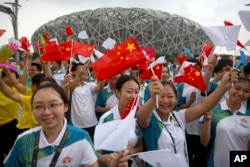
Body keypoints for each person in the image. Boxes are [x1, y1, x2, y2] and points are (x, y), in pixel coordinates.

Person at [4, 83, 129, 167]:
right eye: (38, 107)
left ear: (65, 106)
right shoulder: (24, 140)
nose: (46, 112)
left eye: (53, 105)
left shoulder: (81, 138)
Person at [136, 69, 238, 167]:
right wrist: (154, 98)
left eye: (170, 96)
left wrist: (224, 86)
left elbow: (203, 106)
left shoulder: (179, 116)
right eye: (161, 96)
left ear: (176, 98)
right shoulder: (150, 119)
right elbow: (141, 117)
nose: (166, 101)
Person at [200, 76, 250, 167]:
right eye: (237, 88)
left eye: (246, 91)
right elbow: (204, 141)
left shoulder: (248, 114)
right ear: (229, 87)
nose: (241, 93)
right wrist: (208, 121)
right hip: (217, 163)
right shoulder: (213, 110)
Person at [98, 75, 143, 167]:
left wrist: (131, 151)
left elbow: (140, 146)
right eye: (129, 92)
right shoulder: (107, 119)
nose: (133, 96)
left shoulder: (138, 116)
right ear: (117, 93)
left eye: (136, 92)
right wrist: (106, 158)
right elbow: (97, 153)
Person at [176, 58, 207, 167]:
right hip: (187, 130)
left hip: (203, 130)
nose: (194, 70)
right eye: (191, 67)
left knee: (201, 161)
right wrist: (190, 102)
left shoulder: (206, 84)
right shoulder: (182, 86)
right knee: (187, 159)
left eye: (196, 67)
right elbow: (179, 107)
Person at [68, 63, 105, 140]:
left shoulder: (89, 85)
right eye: (81, 69)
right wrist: (78, 76)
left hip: (92, 123)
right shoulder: (70, 84)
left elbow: (99, 88)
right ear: (74, 72)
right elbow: (70, 89)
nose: (84, 71)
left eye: (85, 69)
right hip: (76, 125)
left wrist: (103, 77)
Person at [0, 69, 20, 167]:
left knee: (11, 153)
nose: (8, 79)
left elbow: (24, 75)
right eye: (5, 77)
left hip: (11, 126)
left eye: (11, 77)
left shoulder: (16, 90)